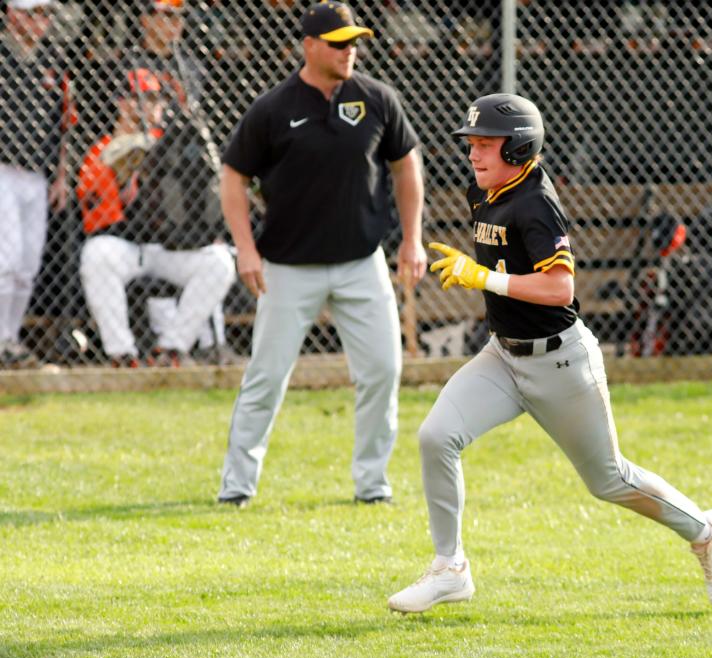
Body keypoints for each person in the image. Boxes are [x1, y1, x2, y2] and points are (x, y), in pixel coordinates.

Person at [387, 94, 712, 614]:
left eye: (486, 144)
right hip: (503, 356)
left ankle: (709, 531)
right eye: (472, 144)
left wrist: (483, 277)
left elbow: (560, 289)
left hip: (560, 363)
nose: (474, 154)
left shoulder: (535, 201)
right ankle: (450, 568)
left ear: (521, 146)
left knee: (610, 480)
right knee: (437, 436)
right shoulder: (484, 189)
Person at [216, 1, 426, 507]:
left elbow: (406, 167)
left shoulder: (377, 98)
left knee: (382, 370)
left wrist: (412, 238)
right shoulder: (273, 107)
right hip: (288, 268)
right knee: (266, 377)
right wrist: (246, 250)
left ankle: (372, 486)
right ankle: (236, 487)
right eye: (339, 43)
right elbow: (233, 177)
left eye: (354, 41)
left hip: (360, 261)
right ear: (309, 45)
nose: (350, 50)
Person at [77, 68, 236, 367]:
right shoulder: (102, 151)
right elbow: (97, 219)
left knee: (219, 261)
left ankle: (172, 349)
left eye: (156, 98)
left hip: (171, 248)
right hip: (129, 248)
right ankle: (122, 354)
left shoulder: (179, 144)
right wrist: (124, 180)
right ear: (122, 103)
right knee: (96, 254)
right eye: (144, 98)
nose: (151, 105)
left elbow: (203, 194)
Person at [0, 0, 69, 368]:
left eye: (46, 14)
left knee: (27, 265)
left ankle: (10, 340)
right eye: (34, 13)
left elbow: (61, 124)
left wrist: (60, 173)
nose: (41, 22)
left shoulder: (51, 60)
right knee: (5, 260)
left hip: (37, 174)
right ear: (13, 14)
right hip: (3, 170)